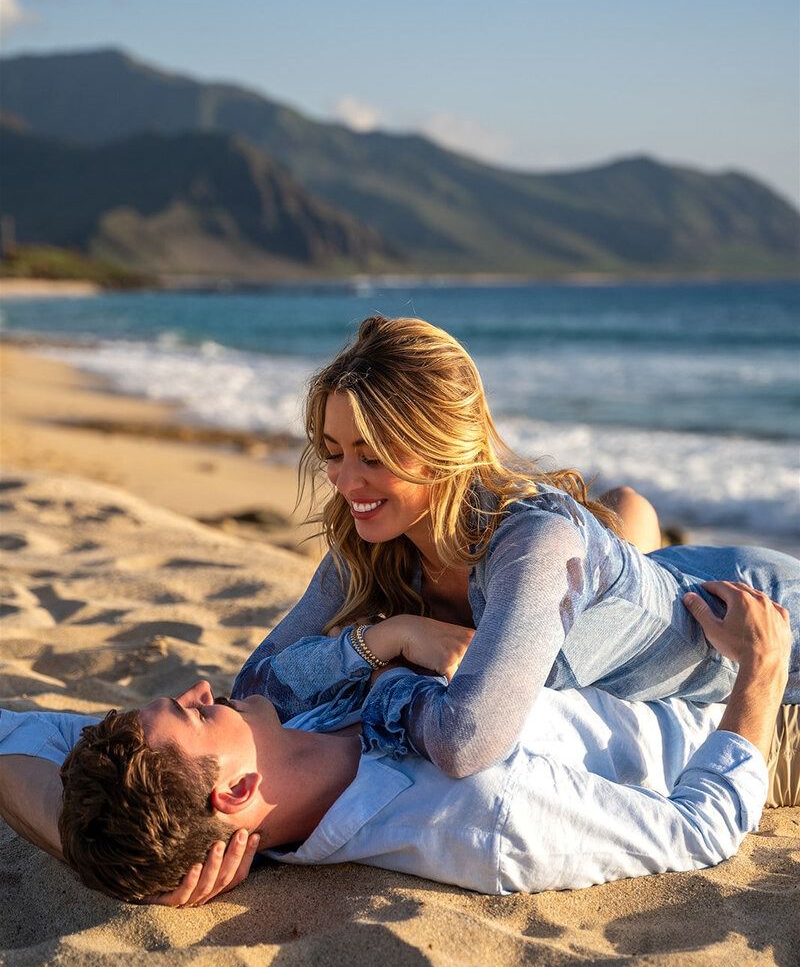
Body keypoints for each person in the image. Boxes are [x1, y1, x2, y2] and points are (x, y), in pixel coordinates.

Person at [230, 315, 800, 783]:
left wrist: (383, 680)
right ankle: (625, 539)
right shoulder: (375, 546)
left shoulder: (530, 543)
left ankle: (624, 539)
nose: (345, 481)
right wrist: (387, 637)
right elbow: (253, 692)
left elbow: (466, 743)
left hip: (765, 619)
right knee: (616, 541)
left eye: (372, 456)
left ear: (443, 447)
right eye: (333, 452)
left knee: (596, 545)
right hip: (645, 595)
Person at [0, 582, 796, 905]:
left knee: (622, 510)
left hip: (619, 649)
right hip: (737, 718)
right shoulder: (473, 812)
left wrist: (103, 858)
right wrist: (760, 669)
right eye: (197, 712)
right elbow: (699, 831)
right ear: (235, 793)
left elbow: (11, 742)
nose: (205, 687)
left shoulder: (287, 729)